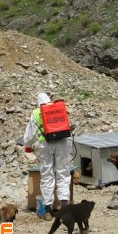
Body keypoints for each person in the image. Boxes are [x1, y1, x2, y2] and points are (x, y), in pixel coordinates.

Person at [23, 92, 72, 220]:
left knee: (47, 175)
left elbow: (29, 134)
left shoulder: (36, 113)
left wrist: (28, 146)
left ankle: (48, 210)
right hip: (62, 143)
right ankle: (64, 206)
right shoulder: (59, 109)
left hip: (45, 145)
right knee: (63, 173)